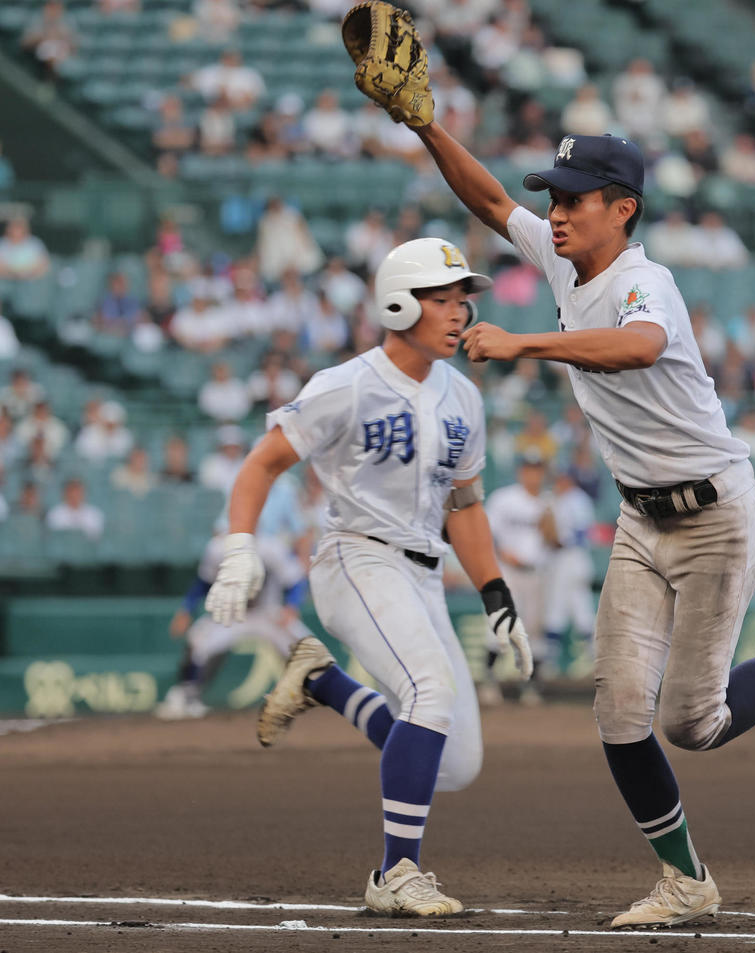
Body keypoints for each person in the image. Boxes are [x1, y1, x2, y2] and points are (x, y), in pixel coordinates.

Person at [411, 117, 755, 929]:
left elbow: (640, 346)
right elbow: (487, 199)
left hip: (716, 516)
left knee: (693, 723)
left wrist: (525, 343)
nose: (554, 213)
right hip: (639, 519)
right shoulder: (561, 259)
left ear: (622, 208)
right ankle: (686, 879)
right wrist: (423, 123)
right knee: (620, 712)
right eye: (552, 199)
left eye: (573, 200)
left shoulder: (643, 279)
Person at [203, 238, 533, 917]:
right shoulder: (347, 384)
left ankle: (323, 681)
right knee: (429, 692)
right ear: (398, 304)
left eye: (463, 299)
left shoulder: (464, 397)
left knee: (456, 763)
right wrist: (240, 547)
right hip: (355, 557)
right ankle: (396, 872)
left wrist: (496, 593)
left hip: (424, 572)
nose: (460, 312)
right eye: (443, 299)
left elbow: (465, 505)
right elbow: (262, 463)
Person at [156, 528, 312, 720]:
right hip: (232, 612)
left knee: (306, 645)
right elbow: (203, 582)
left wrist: (291, 606)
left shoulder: (271, 547)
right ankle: (186, 696)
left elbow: (295, 580)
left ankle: (321, 692)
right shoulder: (217, 548)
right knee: (198, 640)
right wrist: (186, 609)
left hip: (267, 612)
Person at [482, 451, 550, 705]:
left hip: (536, 572)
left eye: (537, 469)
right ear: (521, 471)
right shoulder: (504, 499)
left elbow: (557, 542)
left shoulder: (549, 502)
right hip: (507, 571)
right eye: (529, 468)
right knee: (500, 623)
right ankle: (489, 681)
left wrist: (552, 528)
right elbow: (487, 533)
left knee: (534, 628)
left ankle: (531, 686)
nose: (533, 474)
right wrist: (501, 553)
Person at [540, 467, 597, 676]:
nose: (559, 482)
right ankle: (553, 661)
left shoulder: (578, 499)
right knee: (569, 608)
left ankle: (592, 658)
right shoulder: (556, 499)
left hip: (574, 557)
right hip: (560, 559)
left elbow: (582, 533)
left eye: (562, 479)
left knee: (573, 607)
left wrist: (560, 539)